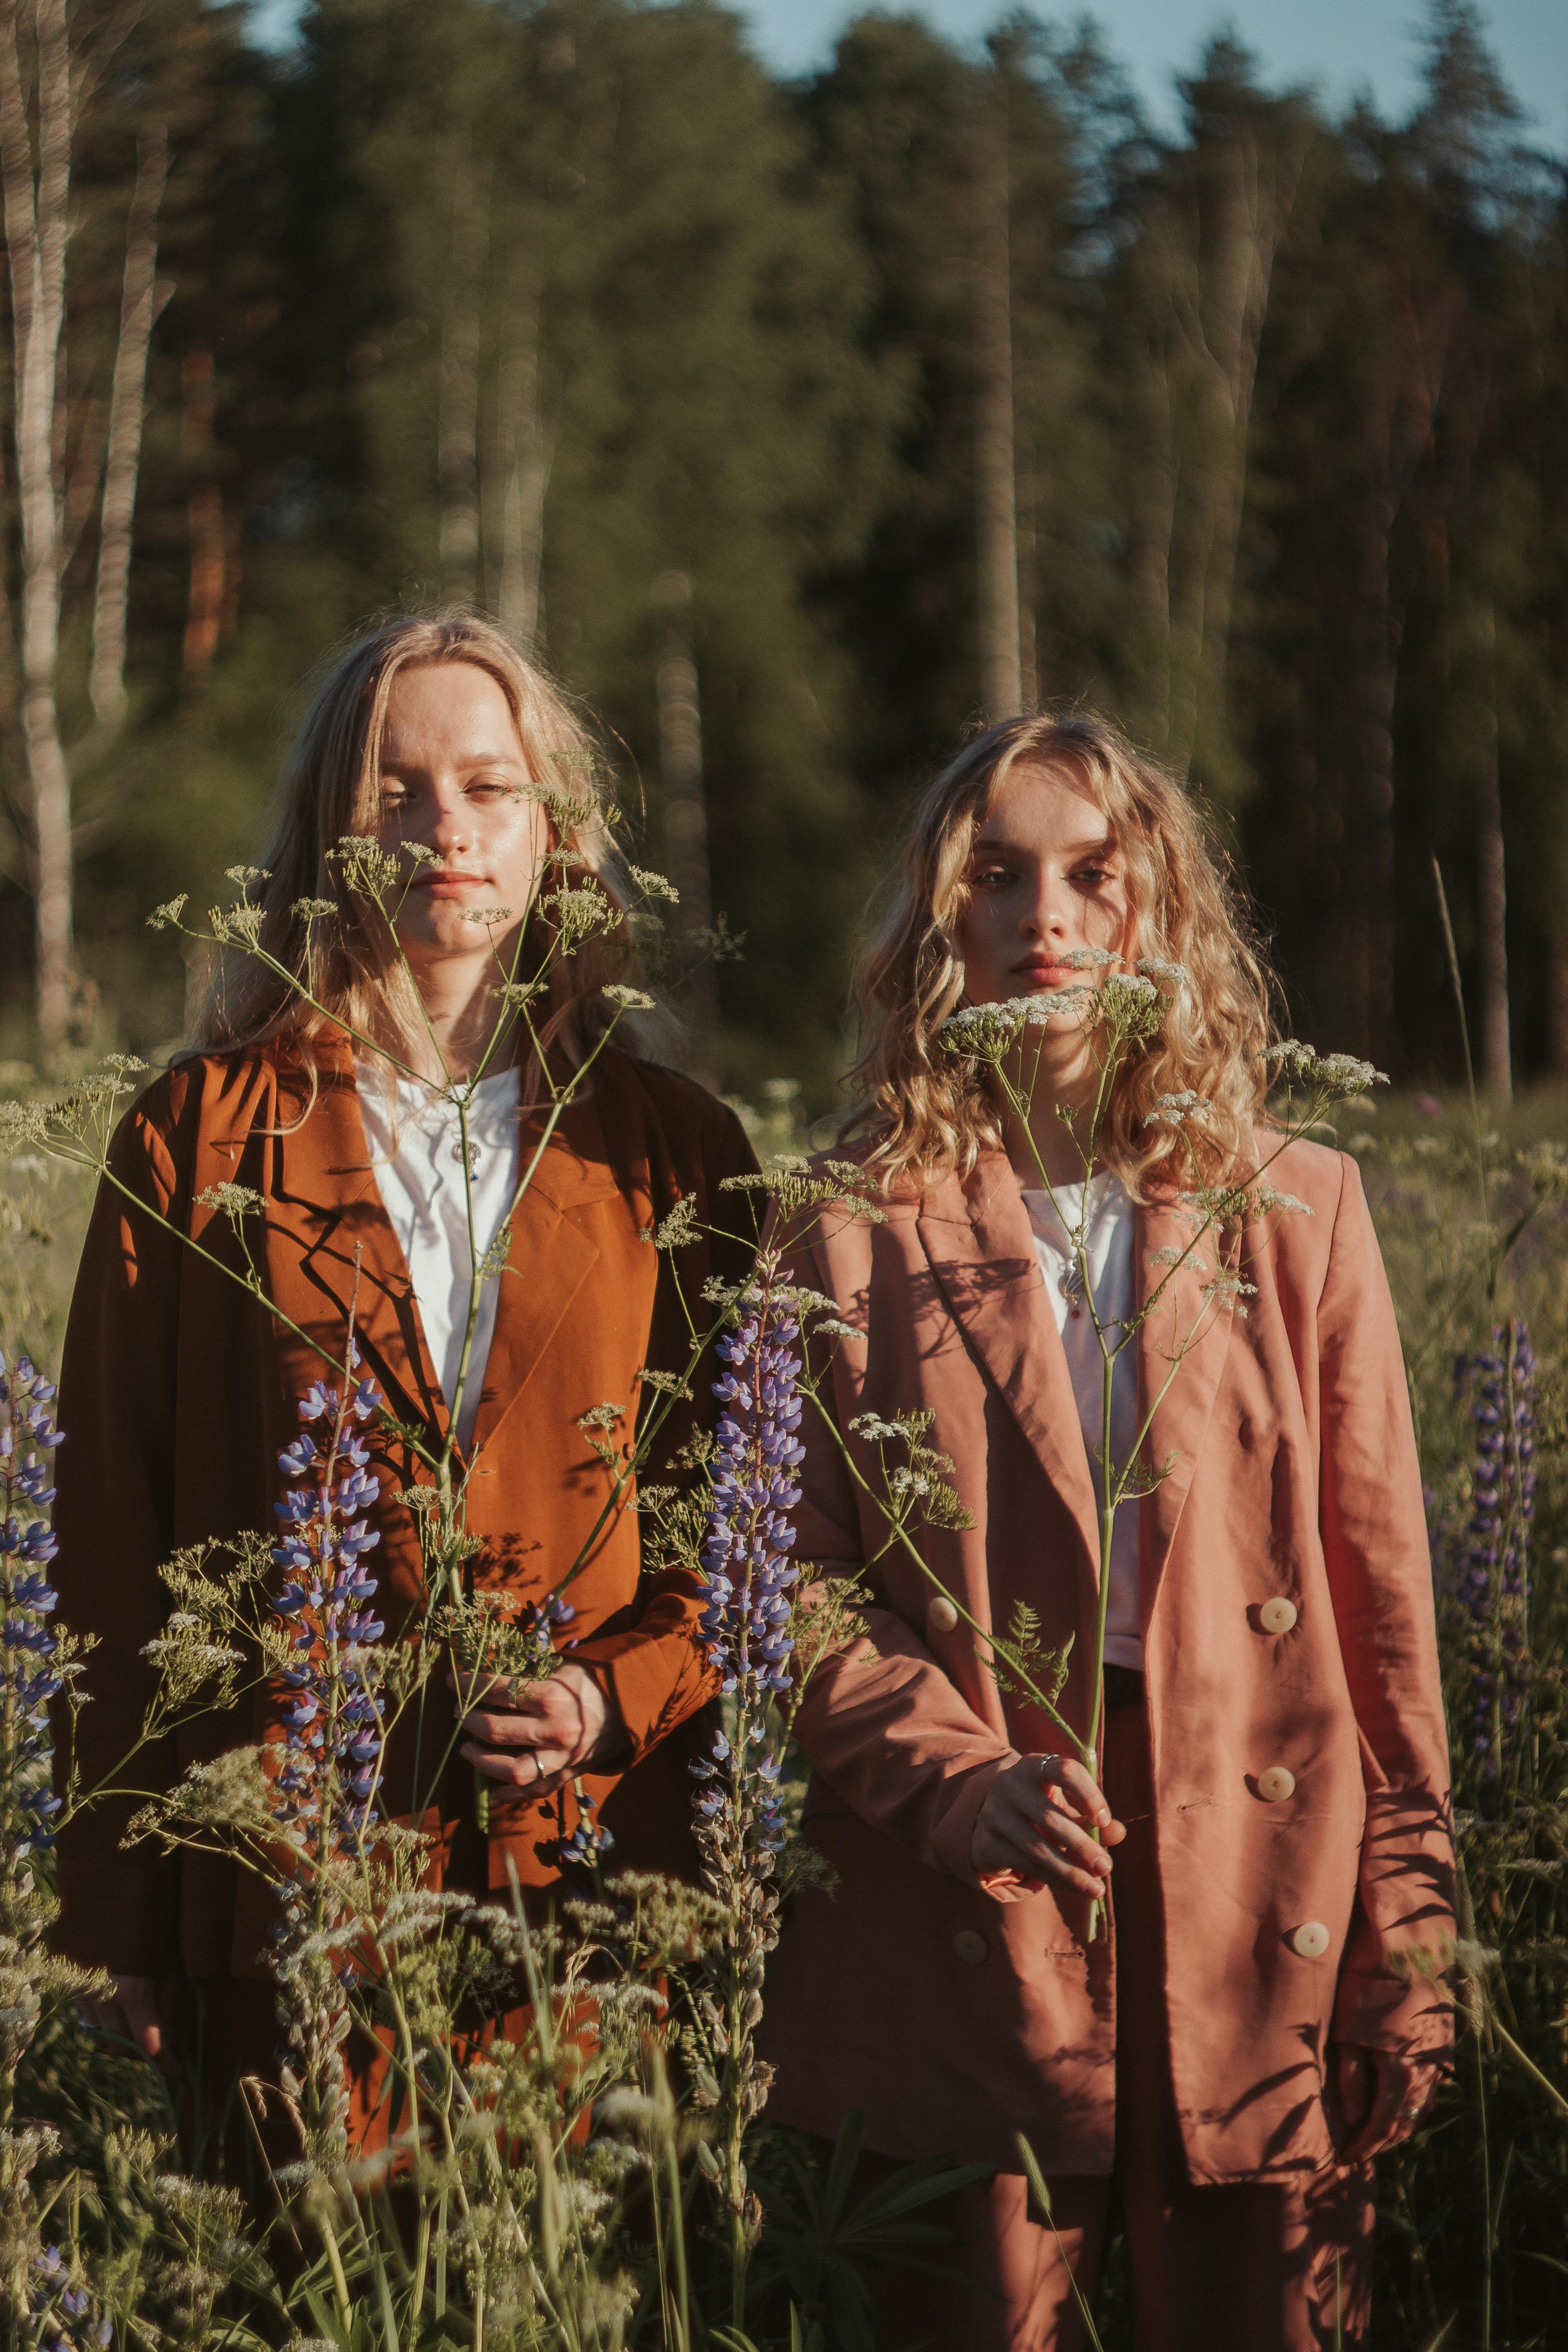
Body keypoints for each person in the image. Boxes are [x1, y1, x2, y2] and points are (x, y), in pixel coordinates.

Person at [760, 712, 1454, 2350]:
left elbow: (1383, 1607)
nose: (1045, 917)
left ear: (1162, 911)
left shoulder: (1300, 1204)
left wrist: (1407, 1933)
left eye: (1093, 873)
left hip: (1261, 1850)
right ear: (942, 919)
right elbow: (781, 1592)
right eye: (996, 874)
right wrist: (958, 1779)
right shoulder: (844, 1228)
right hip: (975, 1852)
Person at [52, 612, 755, 2110]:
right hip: (293, 1900)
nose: (447, 831)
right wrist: (125, 1917)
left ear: (553, 825)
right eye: (397, 789)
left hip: (587, 1893)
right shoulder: (191, 1140)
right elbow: (112, 1546)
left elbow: (747, 1517)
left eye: (490, 789)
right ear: (328, 828)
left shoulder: (673, 1146)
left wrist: (610, 1696)